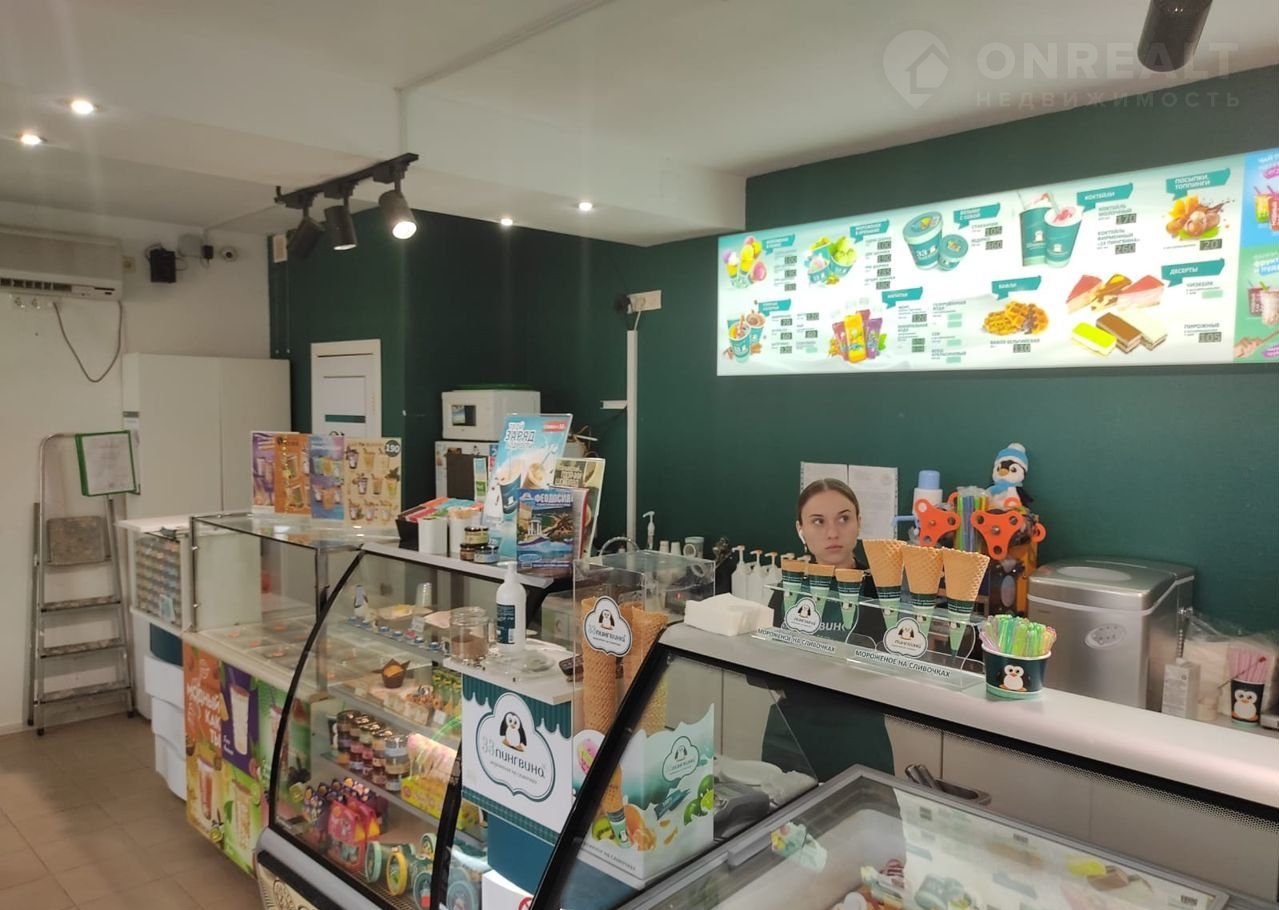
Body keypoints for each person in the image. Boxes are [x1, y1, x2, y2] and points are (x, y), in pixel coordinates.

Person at [762, 478, 894, 781]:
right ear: (801, 530)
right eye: (818, 522)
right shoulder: (787, 591)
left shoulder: (882, 592)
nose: (833, 533)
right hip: (791, 737)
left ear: (859, 523)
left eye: (843, 519)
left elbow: (892, 672)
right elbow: (767, 672)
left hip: (859, 740)